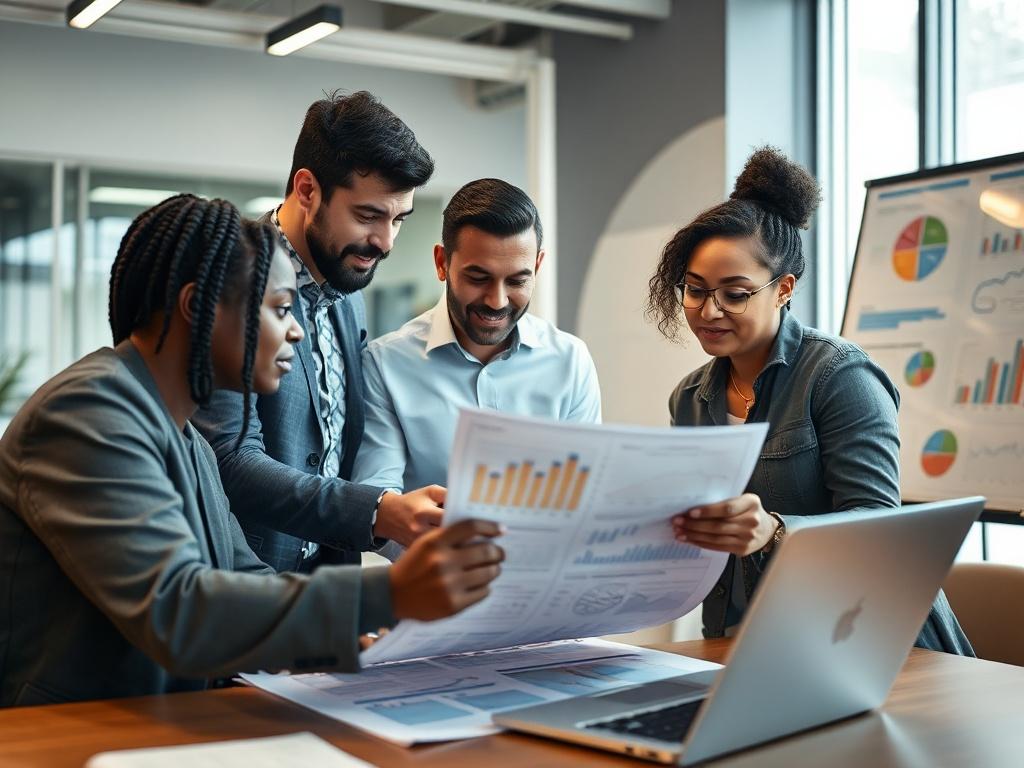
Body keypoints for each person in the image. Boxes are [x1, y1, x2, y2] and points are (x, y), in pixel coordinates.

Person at [0, 196, 504, 707]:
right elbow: (181, 609)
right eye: (280, 308)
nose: (296, 330)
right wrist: (388, 595)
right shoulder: (89, 413)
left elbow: (241, 576)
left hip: (161, 724)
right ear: (197, 308)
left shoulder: (186, 436)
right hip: (65, 735)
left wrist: (345, 644)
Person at [646, 147, 972, 654]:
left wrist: (774, 531)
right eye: (694, 289)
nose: (708, 310)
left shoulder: (839, 375)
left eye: (734, 293)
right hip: (750, 641)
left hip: (875, 641)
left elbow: (884, 526)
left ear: (783, 289)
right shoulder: (688, 399)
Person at [193, 91, 447, 574]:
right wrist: (378, 510)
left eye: (399, 220)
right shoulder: (234, 277)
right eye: (368, 215)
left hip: (327, 593)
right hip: (244, 595)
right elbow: (225, 458)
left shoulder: (349, 292)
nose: (386, 242)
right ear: (307, 190)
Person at [352, 178, 601, 499]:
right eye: (478, 278)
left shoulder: (570, 361)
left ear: (537, 266)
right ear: (442, 263)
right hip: (433, 550)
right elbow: (378, 500)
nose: (497, 301)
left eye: (516, 281)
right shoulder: (384, 364)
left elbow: (584, 492)